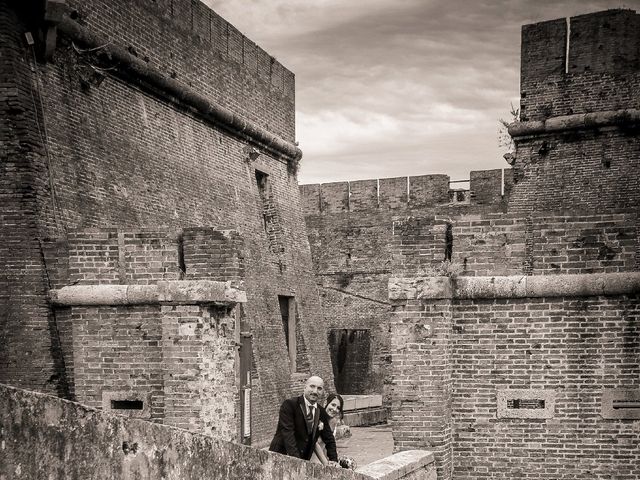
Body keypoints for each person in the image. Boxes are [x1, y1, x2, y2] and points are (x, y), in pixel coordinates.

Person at [269, 375, 338, 463]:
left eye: (319, 388)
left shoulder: (321, 411)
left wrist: (334, 461)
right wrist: (298, 462)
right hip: (281, 457)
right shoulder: (289, 405)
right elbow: (288, 434)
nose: (315, 391)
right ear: (305, 387)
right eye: (312, 386)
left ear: (322, 392)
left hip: (304, 460)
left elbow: (329, 438)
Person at [313, 393, 343, 465]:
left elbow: (329, 446)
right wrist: (325, 463)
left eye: (338, 408)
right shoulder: (317, 417)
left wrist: (333, 461)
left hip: (322, 461)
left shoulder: (334, 424)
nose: (334, 409)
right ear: (326, 403)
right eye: (333, 405)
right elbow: (314, 442)